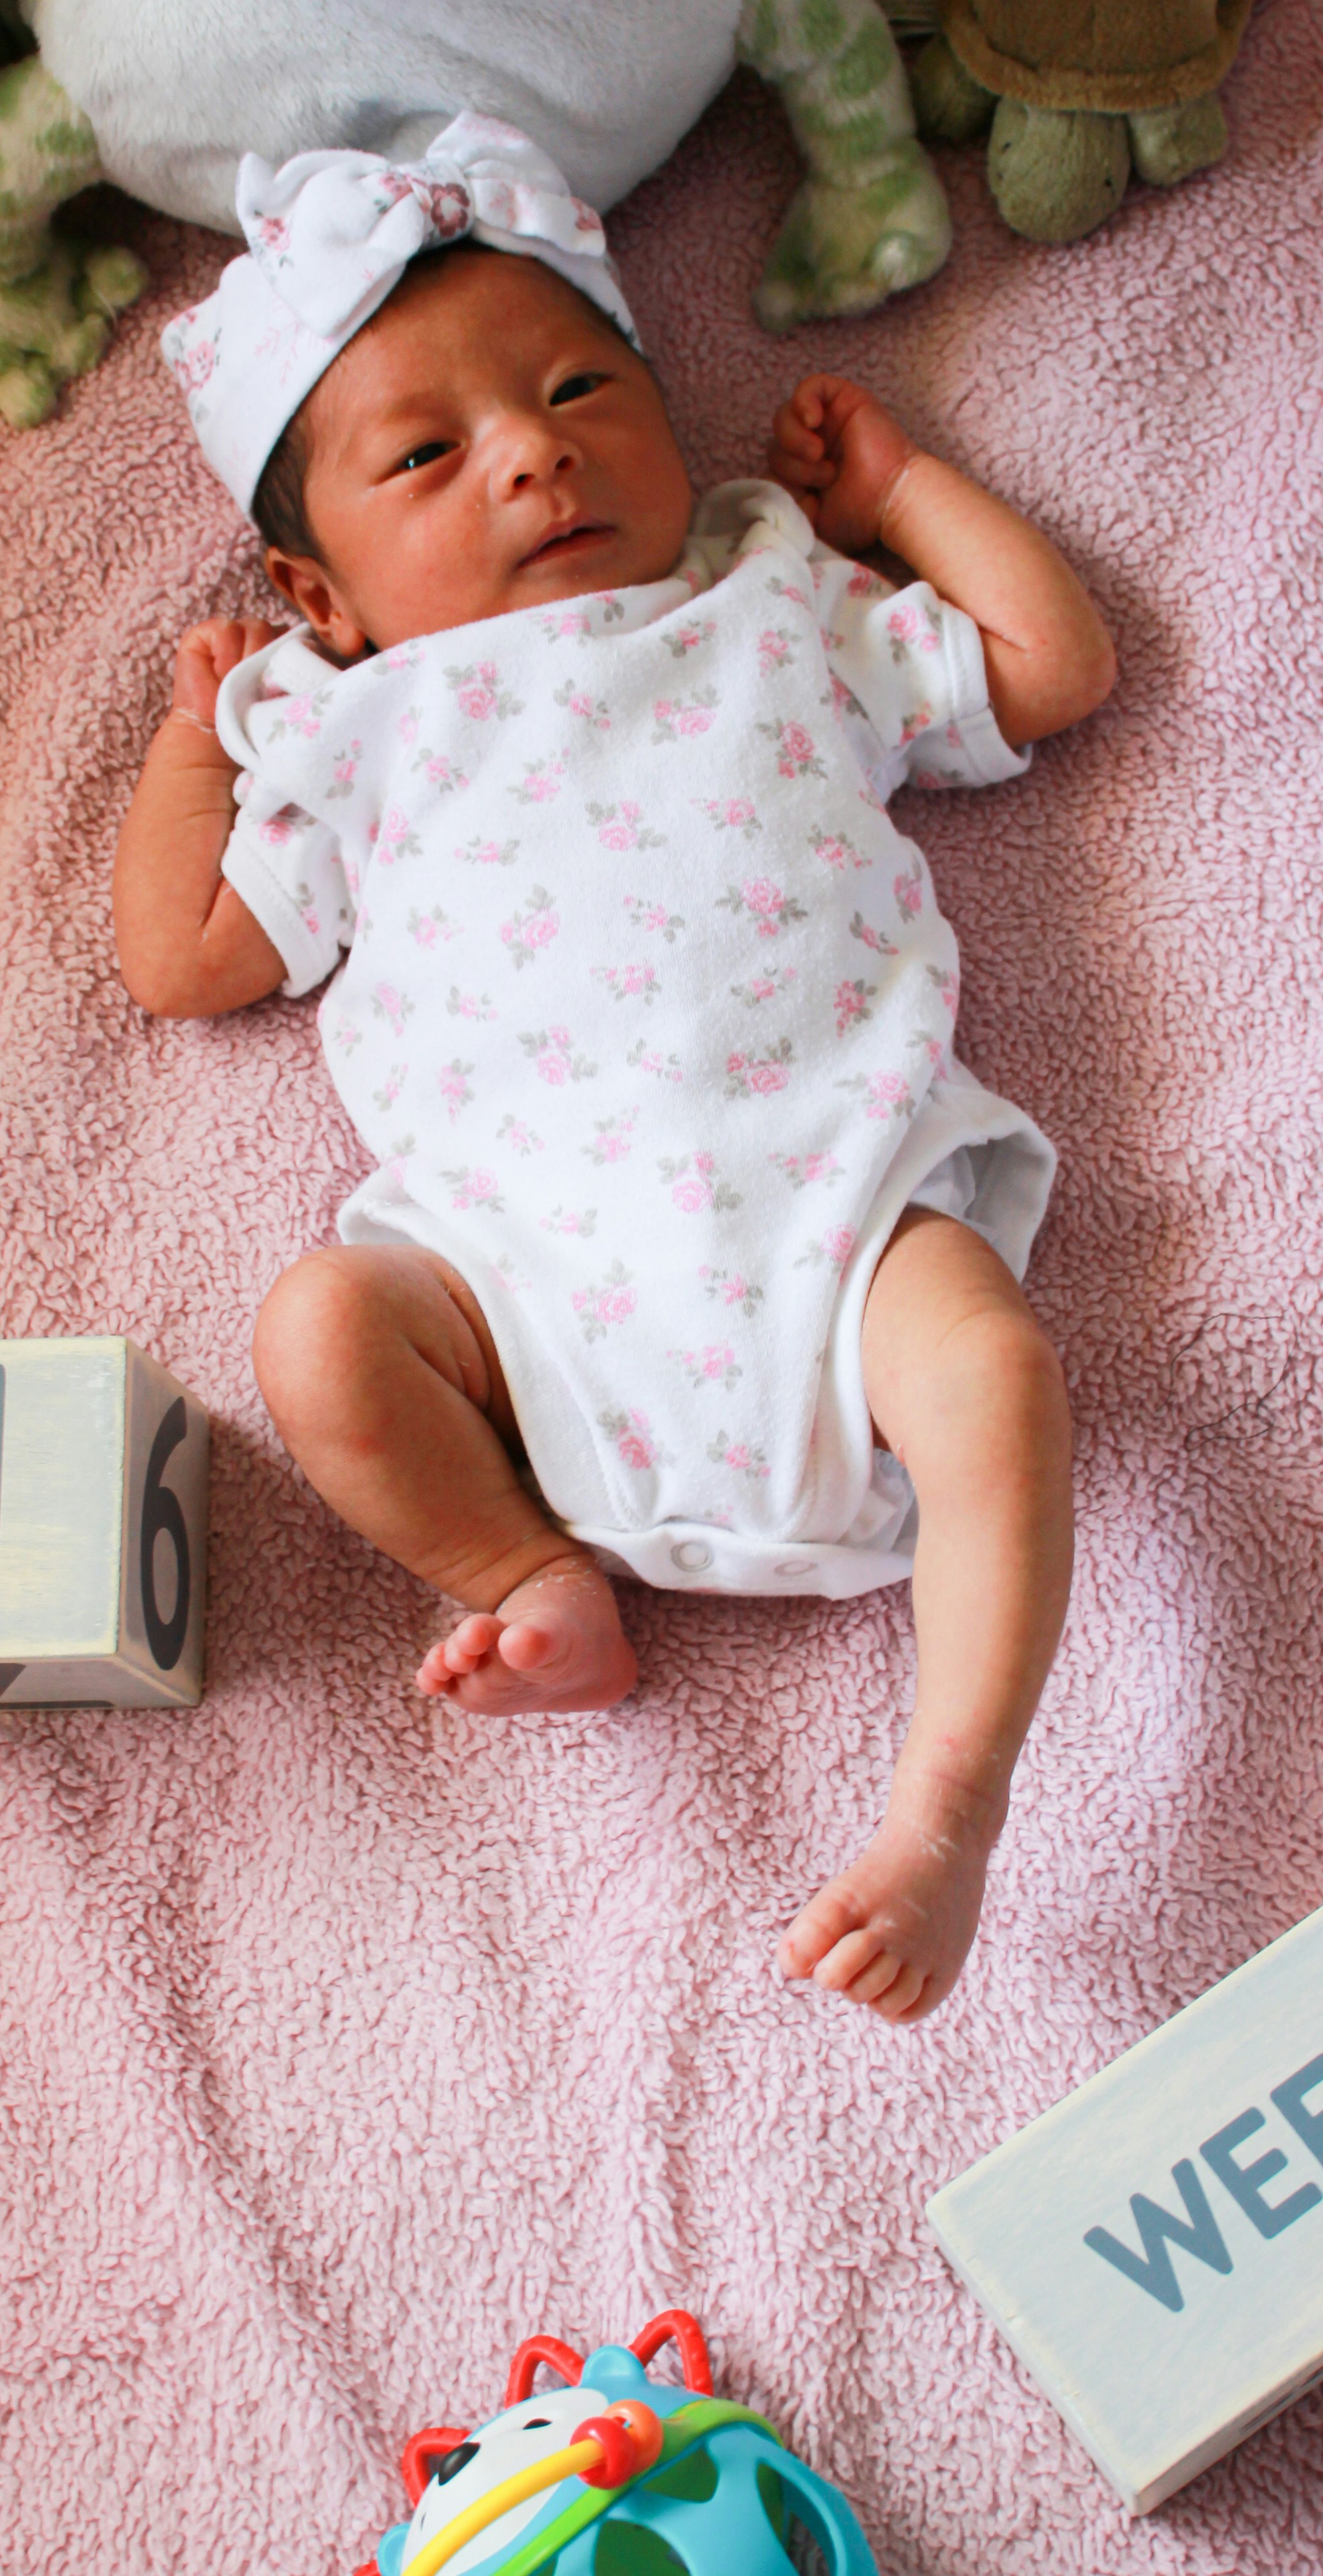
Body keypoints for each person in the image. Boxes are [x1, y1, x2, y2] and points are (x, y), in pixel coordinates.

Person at [117, 117, 1113, 2024]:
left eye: (582, 387)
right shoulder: (345, 724)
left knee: (992, 1376)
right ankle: (522, 1567)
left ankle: (947, 1808)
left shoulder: (766, 601)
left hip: (836, 1185)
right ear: (319, 596)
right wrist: (194, 753)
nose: (531, 446)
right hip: (514, 1269)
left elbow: (1048, 662)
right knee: (323, 1331)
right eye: (428, 454)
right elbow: (186, 963)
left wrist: (899, 488)